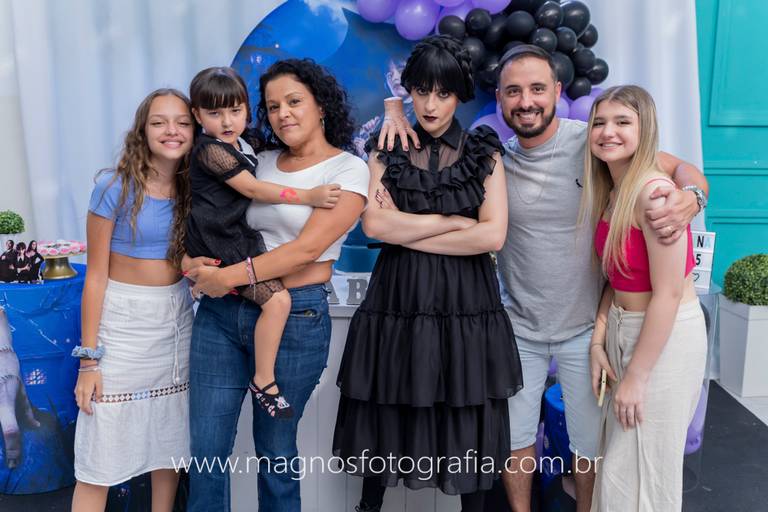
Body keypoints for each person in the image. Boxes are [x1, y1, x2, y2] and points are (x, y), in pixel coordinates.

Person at [381, 44, 709, 512]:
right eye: (513, 91)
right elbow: (430, 128)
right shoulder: (493, 156)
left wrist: (693, 195)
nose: (526, 101)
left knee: (591, 446)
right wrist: (393, 108)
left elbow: (672, 167)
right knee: (515, 440)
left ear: (556, 91)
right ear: (499, 98)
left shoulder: (591, 142)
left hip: (587, 329)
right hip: (518, 327)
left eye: (537, 88)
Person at [333, 35, 523, 512]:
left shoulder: (483, 150)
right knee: (387, 405)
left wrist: (408, 231)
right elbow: (375, 225)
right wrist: (452, 222)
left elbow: (492, 236)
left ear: (460, 95)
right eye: (421, 92)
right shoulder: (386, 147)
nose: (431, 104)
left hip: (467, 304)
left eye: (443, 93)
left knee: (467, 410)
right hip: (399, 299)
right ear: (409, 91)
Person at [183, 58, 368, 512]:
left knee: (276, 451)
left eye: (294, 101)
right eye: (272, 106)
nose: (283, 113)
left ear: (321, 105)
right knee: (206, 451)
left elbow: (306, 250)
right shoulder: (254, 159)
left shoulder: (347, 170)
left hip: (296, 315)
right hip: (221, 315)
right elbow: (203, 215)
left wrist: (223, 278)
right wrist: (188, 261)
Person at [185, 66, 341, 418]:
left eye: (235, 110)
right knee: (279, 301)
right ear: (197, 115)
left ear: (247, 109)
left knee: (279, 302)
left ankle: (262, 378)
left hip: (235, 238)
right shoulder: (210, 150)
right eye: (214, 113)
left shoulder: (245, 144)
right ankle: (264, 380)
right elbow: (253, 189)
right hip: (220, 240)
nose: (227, 121)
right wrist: (309, 196)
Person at [582, 85, 707, 511]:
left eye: (622, 122)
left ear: (645, 128)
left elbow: (668, 294)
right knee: (620, 469)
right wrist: (599, 341)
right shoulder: (614, 189)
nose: (608, 132)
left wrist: (637, 376)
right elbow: (616, 279)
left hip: (663, 339)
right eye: (599, 122)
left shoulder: (655, 194)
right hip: (625, 329)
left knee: (646, 474)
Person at [72, 89, 195, 512]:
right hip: (122, 325)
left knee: (168, 441)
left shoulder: (195, 186)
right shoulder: (114, 186)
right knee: (100, 451)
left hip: (176, 322)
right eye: (159, 122)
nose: (171, 131)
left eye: (182, 122)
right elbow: (95, 277)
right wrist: (89, 361)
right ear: (142, 130)